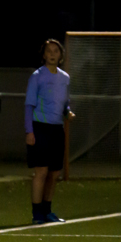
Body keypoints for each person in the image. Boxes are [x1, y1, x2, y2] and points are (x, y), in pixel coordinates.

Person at [24, 39, 76, 224]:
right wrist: (29, 131)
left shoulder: (65, 78)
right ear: (44, 55)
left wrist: (67, 112)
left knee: (54, 173)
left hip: (57, 129)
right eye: (49, 51)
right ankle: (36, 213)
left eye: (56, 51)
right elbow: (29, 105)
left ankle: (47, 210)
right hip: (40, 127)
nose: (53, 54)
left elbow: (65, 103)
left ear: (61, 55)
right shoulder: (37, 76)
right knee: (42, 172)